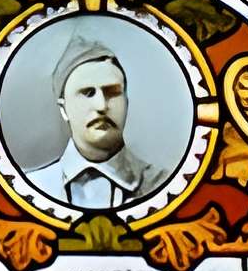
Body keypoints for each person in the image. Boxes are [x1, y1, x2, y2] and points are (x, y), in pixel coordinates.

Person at [24, 36, 173, 211]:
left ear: (126, 103)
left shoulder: (163, 184)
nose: (101, 106)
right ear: (64, 110)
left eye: (112, 92)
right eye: (87, 93)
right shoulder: (32, 187)